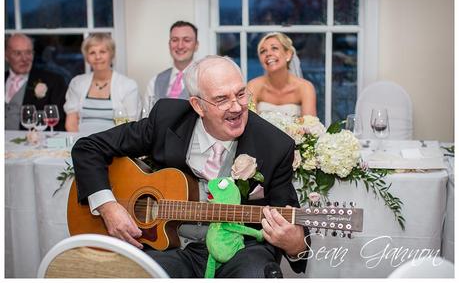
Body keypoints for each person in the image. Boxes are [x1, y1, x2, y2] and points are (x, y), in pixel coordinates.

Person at [71, 55, 310, 278]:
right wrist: (108, 207)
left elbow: (290, 220)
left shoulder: (274, 145)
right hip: (170, 247)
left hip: (240, 250)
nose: (236, 107)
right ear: (197, 105)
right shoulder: (168, 119)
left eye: (240, 94)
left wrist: (295, 244)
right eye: (221, 99)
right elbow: (88, 148)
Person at [64, 33, 140, 134]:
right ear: (86, 57)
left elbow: (130, 125)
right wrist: (81, 145)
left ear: (111, 54)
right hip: (82, 145)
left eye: (102, 51)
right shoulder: (77, 83)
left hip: (115, 146)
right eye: (92, 53)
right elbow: (71, 124)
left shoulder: (128, 85)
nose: (98, 57)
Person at [5, 34, 67, 131]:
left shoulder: (53, 81)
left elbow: (60, 123)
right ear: (6, 56)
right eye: (18, 53)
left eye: (28, 52)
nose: (24, 59)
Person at [248, 32, 317, 117]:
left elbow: (310, 126)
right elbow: (250, 124)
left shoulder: (306, 87)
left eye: (274, 48)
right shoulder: (253, 86)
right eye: (263, 51)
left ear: (288, 54)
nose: (268, 54)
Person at [142, 20, 199, 109]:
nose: (180, 46)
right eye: (175, 40)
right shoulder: (154, 81)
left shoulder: (204, 80)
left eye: (186, 40)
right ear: (169, 44)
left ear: (196, 45)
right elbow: (146, 116)